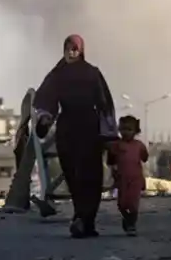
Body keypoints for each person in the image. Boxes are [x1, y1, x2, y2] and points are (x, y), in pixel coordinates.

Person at [34, 34, 118, 238]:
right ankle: (82, 217)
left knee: (91, 176)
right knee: (73, 175)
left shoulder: (92, 73)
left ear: (81, 51)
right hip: (68, 129)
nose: (71, 52)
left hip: (89, 128)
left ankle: (85, 220)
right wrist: (45, 119)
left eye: (75, 49)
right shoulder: (57, 75)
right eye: (68, 48)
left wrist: (108, 133)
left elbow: (105, 104)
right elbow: (46, 100)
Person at [107, 115, 148, 236]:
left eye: (129, 129)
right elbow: (110, 161)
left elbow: (145, 158)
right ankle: (126, 218)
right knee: (122, 203)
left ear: (136, 131)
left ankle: (131, 224)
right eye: (123, 129)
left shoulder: (139, 145)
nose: (126, 132)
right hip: (122, 179)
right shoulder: (117, 145)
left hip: (136, 178)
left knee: (133, 204)